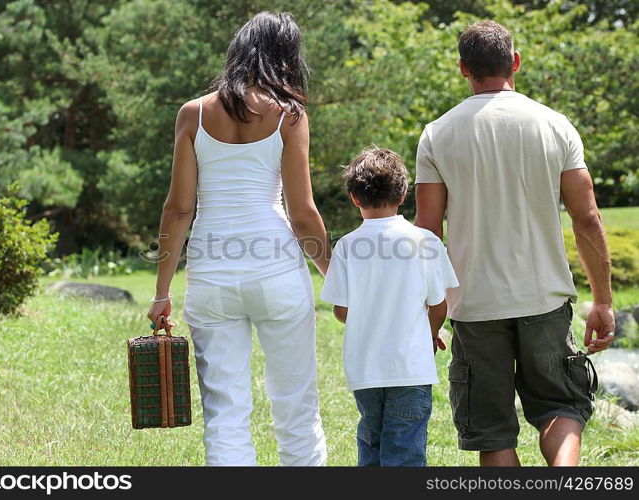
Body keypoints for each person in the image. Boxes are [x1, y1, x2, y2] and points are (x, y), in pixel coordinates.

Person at [414, 20, 615, 466]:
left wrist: (428, 312)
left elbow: (428, 231)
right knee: (561, 407)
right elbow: (587, 217)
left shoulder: (438, 133)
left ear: (464, 69)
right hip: (544, 299)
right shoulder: (555, 126)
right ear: (516, 63)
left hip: (474, 306)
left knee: (492, 433)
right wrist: (601, 298)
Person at [147, 11, 330, 466]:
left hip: (211, 277)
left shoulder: (193, 113)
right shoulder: (289, 115)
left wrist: (162, 292)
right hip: (276, 271)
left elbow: (179, 208)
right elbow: (303, 214)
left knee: (225, 412)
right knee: (296, 405)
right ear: (285, 57)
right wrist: (337, 277)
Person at [321, 146, 459, 466]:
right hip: (410, 368)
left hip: (365, 371)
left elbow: (341, 310)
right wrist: (430, 332)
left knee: (372, 444)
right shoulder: (425, 241)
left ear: (354, 197)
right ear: (403, 193)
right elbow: (438, 305)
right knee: (405, 450)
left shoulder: (346, 246)